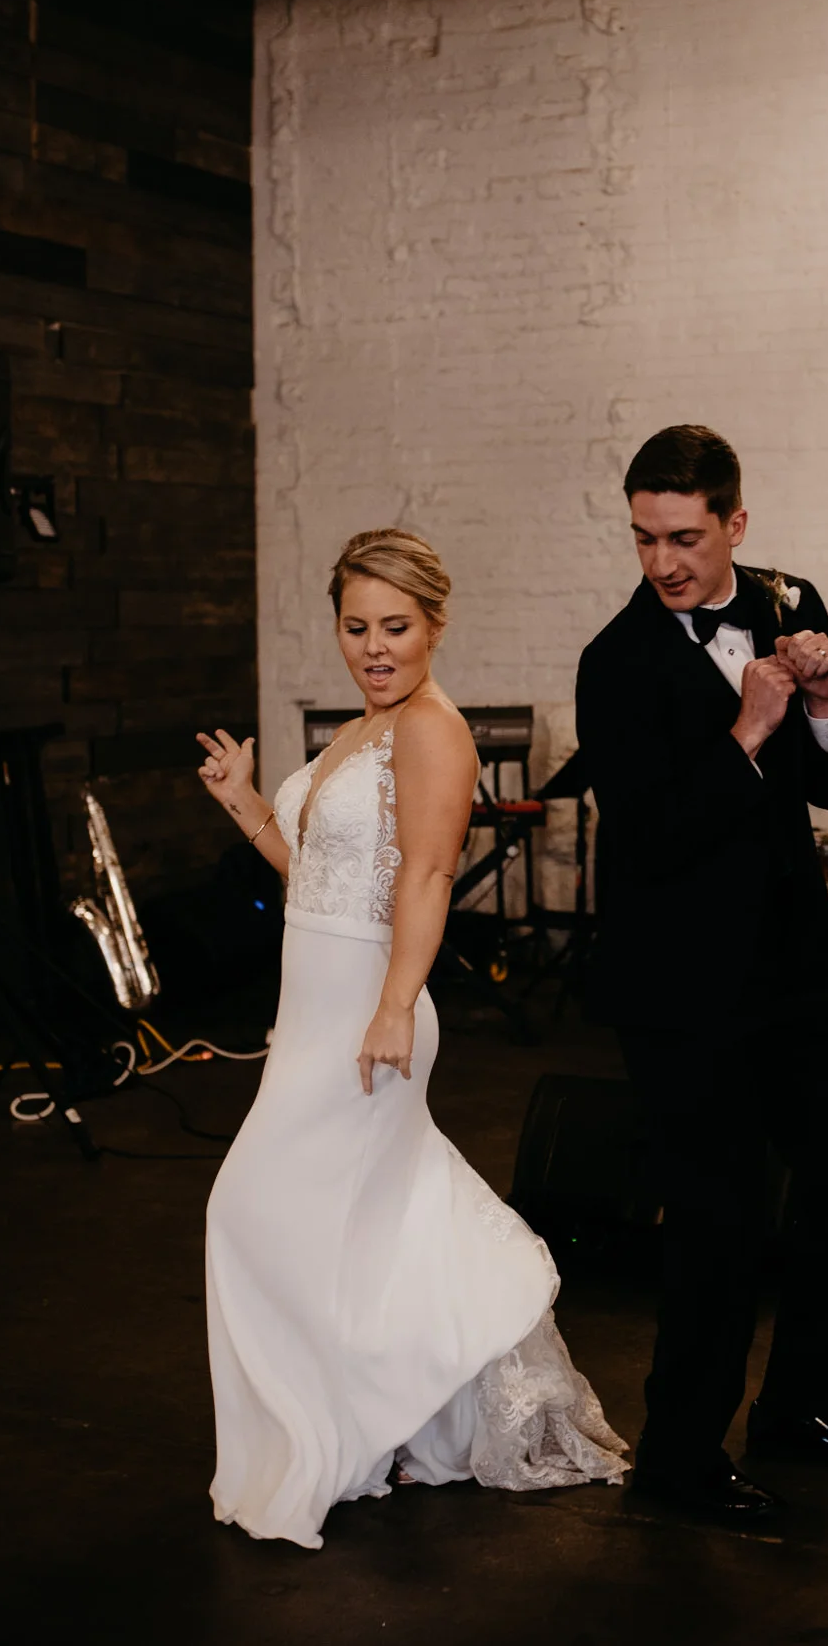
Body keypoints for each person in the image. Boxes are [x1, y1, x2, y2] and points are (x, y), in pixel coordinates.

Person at [194, 528, 626, 1549]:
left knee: (250, 1207)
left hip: (369, 1010)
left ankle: (347, 1424)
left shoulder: (433, 730)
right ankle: (389, 1421)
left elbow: (426, 878)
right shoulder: (363, 727)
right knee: (349, 1225)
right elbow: (318, 878)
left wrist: (396, 1001)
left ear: (435, 624)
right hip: (318, 1010)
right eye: (357, 626)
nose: (374, 646)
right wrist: (247, 805)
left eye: (395, 626)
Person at [575, 424, 828, 1525]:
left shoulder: (788, 596)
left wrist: (822, 702)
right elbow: (652, 835)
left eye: (684, 536)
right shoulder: (614, 662)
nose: (663, 562)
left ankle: (803, 1413)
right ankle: (678, 1459)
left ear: (735, 521)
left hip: (790, 961)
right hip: (677, 984)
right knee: (719, 1220)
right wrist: (747, 728)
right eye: (643, 538)